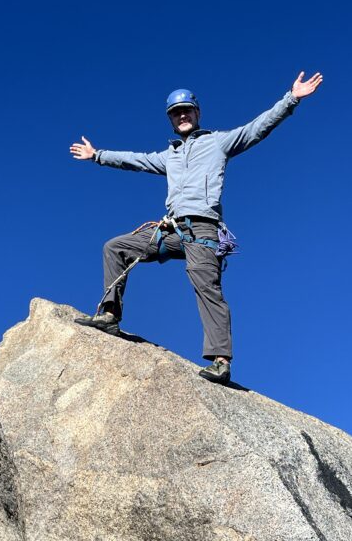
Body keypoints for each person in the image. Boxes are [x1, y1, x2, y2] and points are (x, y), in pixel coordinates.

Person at [70, 71, 323, 384]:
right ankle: (110, 315)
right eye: (176, 113)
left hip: (203, 230)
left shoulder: (218, 143)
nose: (182, 115)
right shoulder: (169, 156)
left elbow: (258, 128)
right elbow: (135, 160)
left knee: (206, 286)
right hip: (172, 231)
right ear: (171, 120)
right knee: (116, 247)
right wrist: (98, 156)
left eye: (186, 110)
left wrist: (292, 98)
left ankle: (221, 360)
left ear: (197, 112)